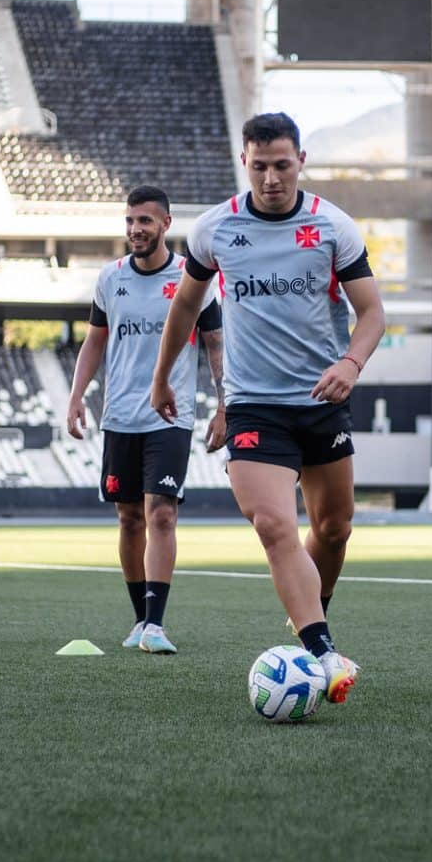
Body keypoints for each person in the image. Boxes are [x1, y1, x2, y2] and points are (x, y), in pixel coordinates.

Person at [150, 112, 385, 705]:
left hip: (322, 401)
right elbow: (185, 308)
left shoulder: (333, 227)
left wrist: (351, 364)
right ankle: (323, 651)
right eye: (260, 166)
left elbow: (372, 314)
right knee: (274, 525)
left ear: (301, 160)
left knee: (333, 529)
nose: (272, 178)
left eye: (282, 165)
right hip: (253, 406)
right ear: (244, 163)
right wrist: (163, 378)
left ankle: (309, 611)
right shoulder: (215, 229)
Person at [66, 186, 225, 654]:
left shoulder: (191, 279)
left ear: (165, 225)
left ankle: (156, 624)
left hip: (170, 416)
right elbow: (94, 342)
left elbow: (215, 344)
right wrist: (76, 397)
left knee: (162, 513)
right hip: (119, 416)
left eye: (145, 221)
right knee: (130, 518)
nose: (136, 229)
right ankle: (140, 619)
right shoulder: (110, 278)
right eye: (131, 221)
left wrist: (224, 405)